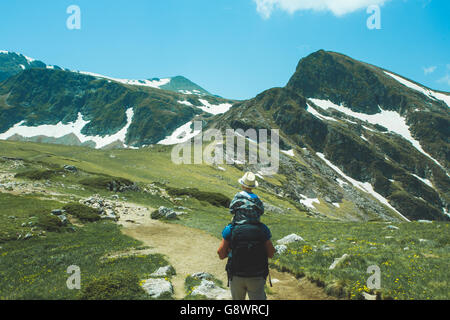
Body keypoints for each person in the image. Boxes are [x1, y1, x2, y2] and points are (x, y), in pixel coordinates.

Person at [217, 172, 276, 300]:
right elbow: (271, 253)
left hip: (236, 275)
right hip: (257, 276)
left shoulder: (231, 229)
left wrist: (232, 252)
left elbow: (221, 254)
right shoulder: (262, 230)